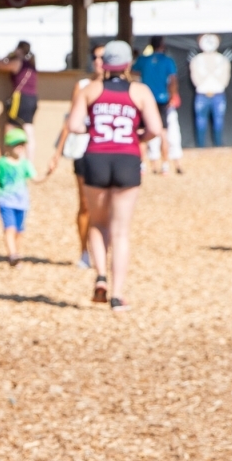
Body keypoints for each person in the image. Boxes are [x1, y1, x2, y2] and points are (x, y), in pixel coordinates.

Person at [69, 39, 163, 310]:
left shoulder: (91, 90)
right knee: (120, 231)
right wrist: (138, 136)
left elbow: (74, 124)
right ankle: (118, 295)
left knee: (98, 223)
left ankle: (100, 276)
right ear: (128, 64)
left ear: (103, 63)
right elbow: (156, 128)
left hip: (96, 157)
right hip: (127, 157)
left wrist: (96, 130)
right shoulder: (140, 91)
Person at [48, 42, 108, 273]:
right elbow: (70, 118)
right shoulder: (82, 86)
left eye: (104, 57)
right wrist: (57, 152)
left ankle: (103, 250)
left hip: (109, 151)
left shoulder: (121, 87)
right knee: (85, 204)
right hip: (84, 149)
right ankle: (84, 250)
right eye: (96, 57)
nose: (99, 62)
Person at [133, 40, 183, 174]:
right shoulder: (167, 61)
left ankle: (143, 165)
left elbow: (133, 73)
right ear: (162, 46)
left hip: (146, 98)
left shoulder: (143, 60)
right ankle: (165, 165)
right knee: (163, 133)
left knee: (142, 132)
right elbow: (173, 80)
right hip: (162, 99)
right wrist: (172, 95)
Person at [0, 128, 38, 264]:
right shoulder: (1, 163)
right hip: (6, 200)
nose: (19, 147)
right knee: (9, 228)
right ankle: (12, 254)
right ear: (8, 146)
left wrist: (48, 173)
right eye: (16, 144)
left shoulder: (25, 164)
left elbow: (35, 179)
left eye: (22, 144)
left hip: (22, 202)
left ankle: (16, 254)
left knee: (19, 230)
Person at [188, 35, 230, 147]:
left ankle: (218, 145)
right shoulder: (197, 60)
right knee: (200, 122)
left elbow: (225, 78)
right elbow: (195, 77)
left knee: (218, 122)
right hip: (202, 94)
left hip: (218, 94)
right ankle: (200, 146)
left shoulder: (222, 59)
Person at [0, 41, 39, 151]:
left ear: (19, 50)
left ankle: (8, 155)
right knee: (29, 130)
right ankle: (29, 161)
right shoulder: (31, 64)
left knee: (10, 127)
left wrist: (9, 55)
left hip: (20, 98)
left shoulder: (17, 62)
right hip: (32, 98)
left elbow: (0, 65)